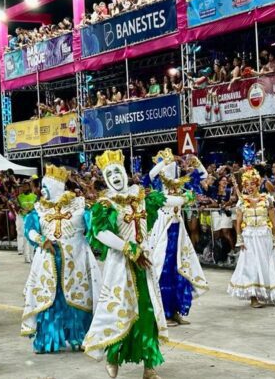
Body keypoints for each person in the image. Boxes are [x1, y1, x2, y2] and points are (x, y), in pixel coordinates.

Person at [84, 150, 168, 379]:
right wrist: (128, 248)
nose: (115, 176)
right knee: (119, 312)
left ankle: (149, 367)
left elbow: (165, 202)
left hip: (143, 266)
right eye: (109, 173)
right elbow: (100, 232)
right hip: (120, 266)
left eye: (117, 171)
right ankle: (112, 357)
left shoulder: (140, 196)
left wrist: (184, 196)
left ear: (125, 172)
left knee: (147, 313)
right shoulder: (104, 204)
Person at [21, 164, 101, 354]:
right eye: (43, 186)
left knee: (77, 300)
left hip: (76, 263)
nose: (42, 190)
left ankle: (80, 336)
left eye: (46, 186)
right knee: (50, 300)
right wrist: (41, 239)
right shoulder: (39, 209)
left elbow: (93, 228)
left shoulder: (79, 206)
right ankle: (47, 340)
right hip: (47, 263)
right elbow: (29, 229)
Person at [147, 149, 209, 326]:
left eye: (174, 166)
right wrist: (165, 160)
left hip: (178, 231)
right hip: (163, 232)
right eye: (170, 166)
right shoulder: (158, 187)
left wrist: (196, 161)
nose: (173, 168)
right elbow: (151, 175)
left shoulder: (180, 186)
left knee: (179, 270)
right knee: (163, 270)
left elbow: (203, 175)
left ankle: (175, 311)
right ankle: (164, 314)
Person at [228, 168, 275, 307]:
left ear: (257, 184)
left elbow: (273, 219)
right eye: (246, 185)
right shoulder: (241, 201)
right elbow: (239, 222)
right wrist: (239, 238)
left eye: (252, 184)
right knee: (250, 265)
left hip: (265, 236)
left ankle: (272, 293)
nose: (249, 187)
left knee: (267, 263)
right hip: (249, 237)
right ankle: (253, 297)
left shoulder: (267, 199)